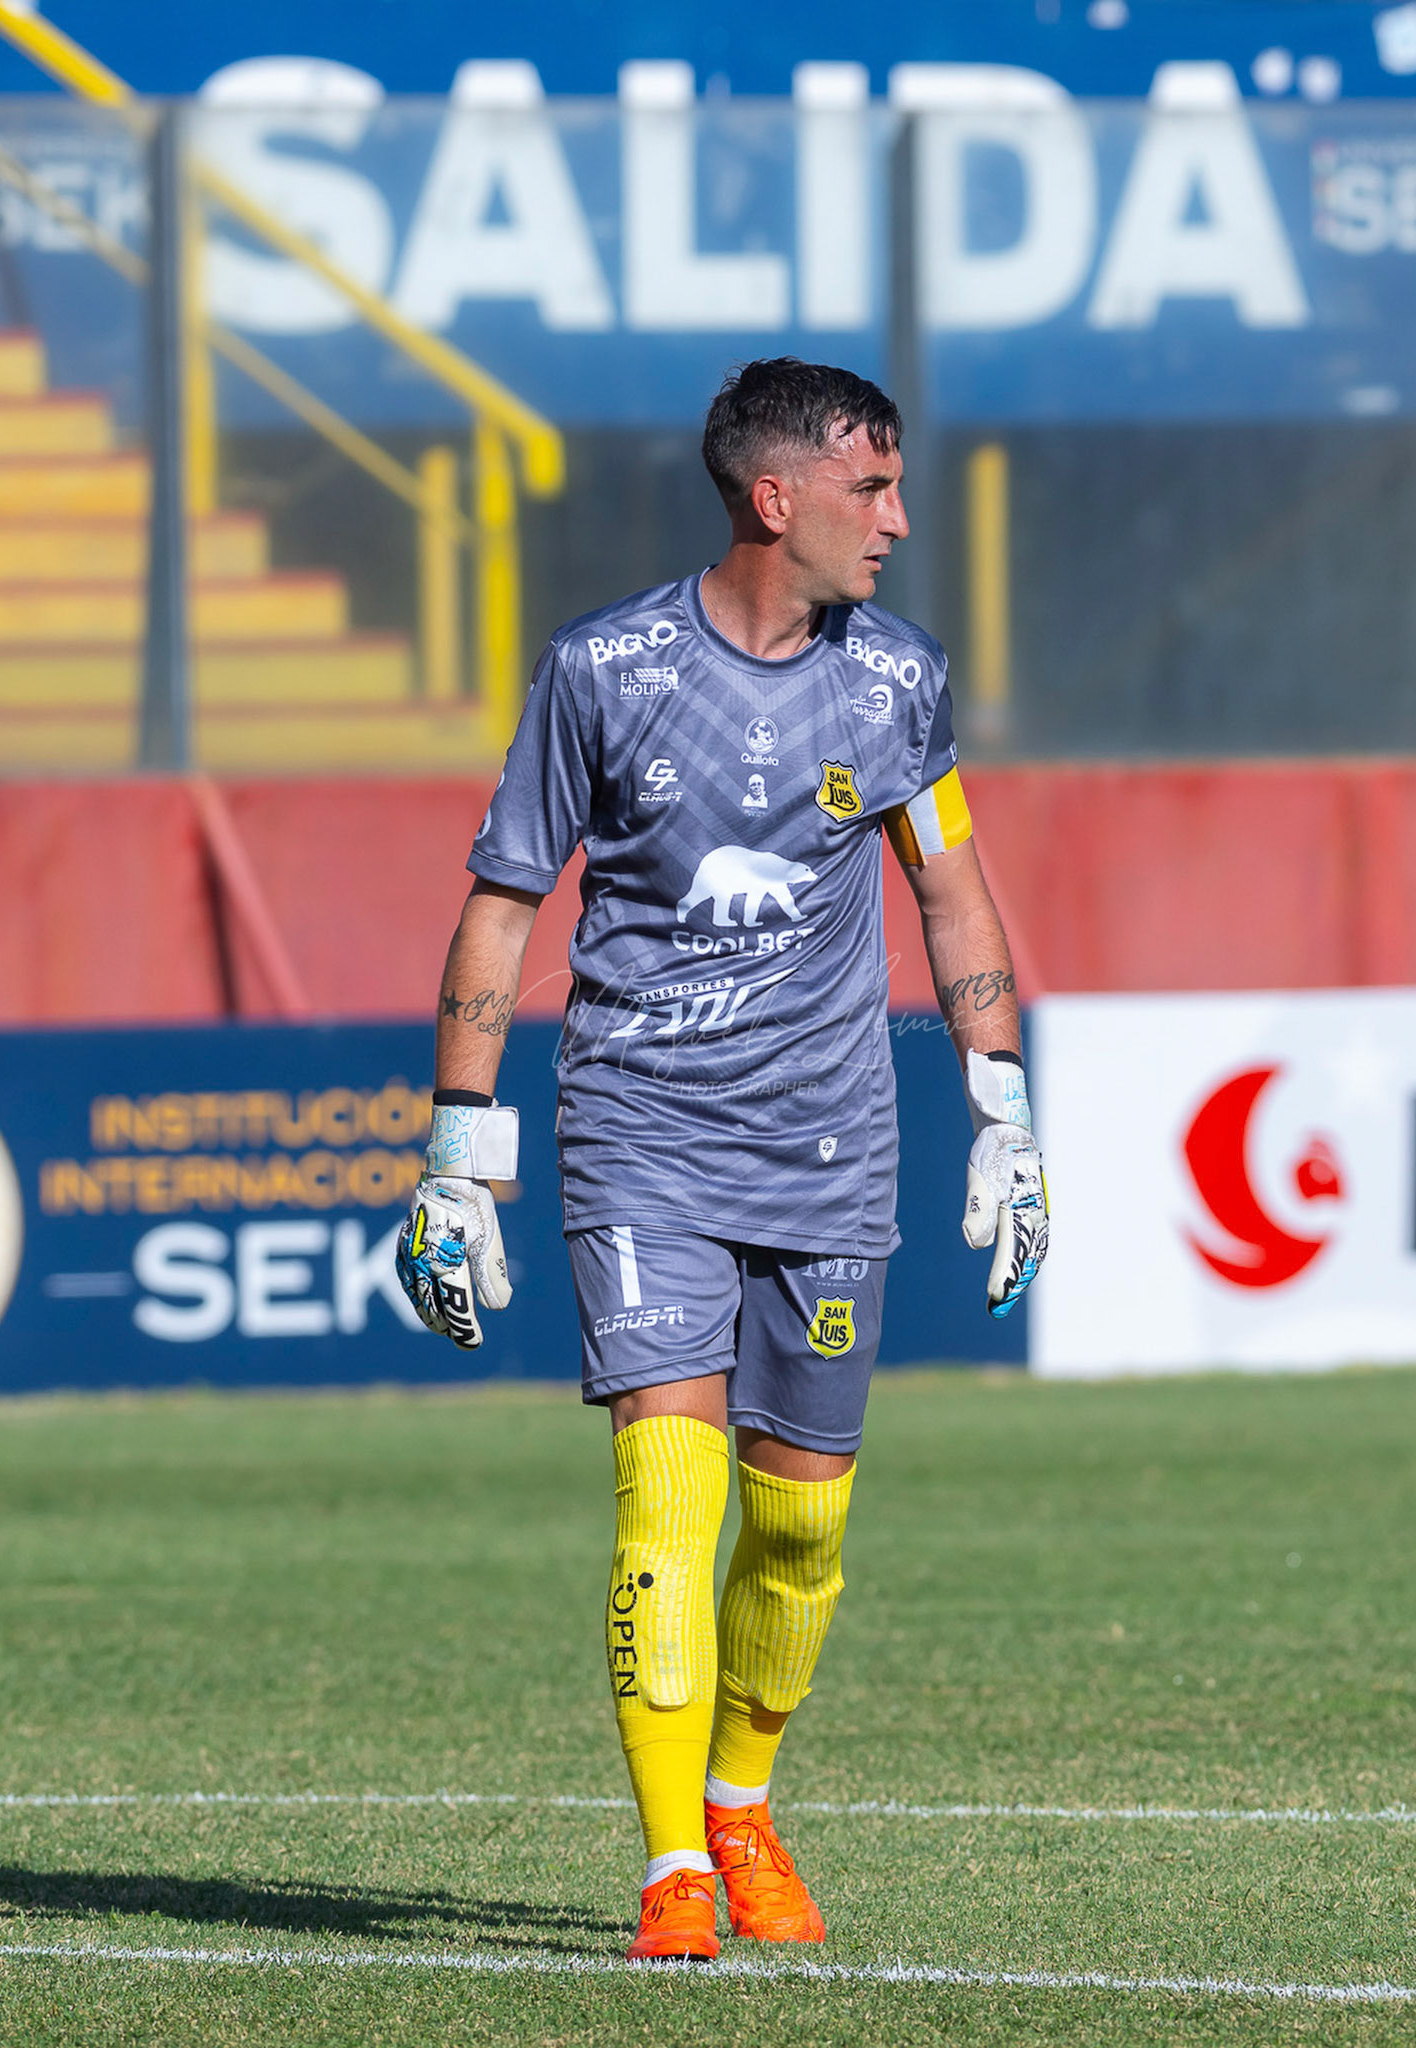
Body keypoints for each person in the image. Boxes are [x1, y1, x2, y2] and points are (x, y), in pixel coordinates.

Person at [396, 358, 1048, 1963]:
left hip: (831, 1148)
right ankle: (674, 1865)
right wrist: (456, 1156)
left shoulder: (897, 680)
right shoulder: (603, 668)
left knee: (803, 1530)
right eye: (872, 489)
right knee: (664, 1501)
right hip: (641, 1139)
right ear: (778, 499)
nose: (897, 520)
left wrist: (1008, 1107)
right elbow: (504, 905)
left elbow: (951, 893)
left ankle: (743, 1797)